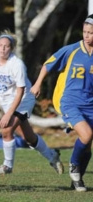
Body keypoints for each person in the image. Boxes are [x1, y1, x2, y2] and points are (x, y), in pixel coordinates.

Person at [0, 30, 64, 175]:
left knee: (6, 130)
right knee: (28, 137)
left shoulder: (17, 64)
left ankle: (7, 165)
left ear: (11, 49)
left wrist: (8, 114)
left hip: (24, 98)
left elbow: (20, 91)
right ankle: (52, 156)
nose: (3, 49)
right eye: (0, 45)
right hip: (7, 101)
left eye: (7, 46)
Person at [30, 14, 93, 192]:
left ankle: (77, 181)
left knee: (88, 142)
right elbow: (47, 65)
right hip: (70, 102)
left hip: (90, 104)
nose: (86, 36)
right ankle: (74, 166)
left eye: (91, 33)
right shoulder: (71, 50)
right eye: (85, 32)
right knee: (86, 135)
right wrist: (37, 83)